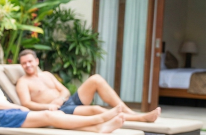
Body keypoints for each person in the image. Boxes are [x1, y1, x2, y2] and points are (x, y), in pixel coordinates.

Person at [0, 49, 125, 132]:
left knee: (55, 116)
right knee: (50, 115)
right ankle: (98, 119)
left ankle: (97, 128)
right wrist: (18, 106)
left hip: (4, 114)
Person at [16, 49, 160, 122]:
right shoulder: (23, 82)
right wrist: (49, 106)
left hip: (66, 101)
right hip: (61, 109)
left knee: (96, 79)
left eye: (30, 61)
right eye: (24, 63)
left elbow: (64, 90)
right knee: (96, 109)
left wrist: (59, 98)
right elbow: (26, 103)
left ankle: (129, 112)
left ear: (36, 61)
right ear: (21, 65)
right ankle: (141, 118)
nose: (27, 65)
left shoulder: (46, 74)